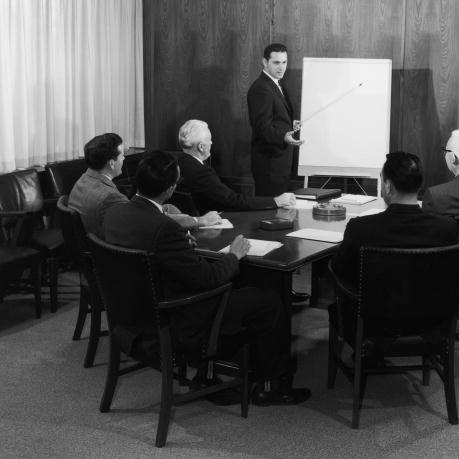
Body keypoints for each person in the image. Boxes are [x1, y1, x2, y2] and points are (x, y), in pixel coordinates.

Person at [103, 150, 311, 406]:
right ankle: (272, 386)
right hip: (176, 318)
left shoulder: (115, 214)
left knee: (242, 288)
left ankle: (211, 373)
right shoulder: (165, 228)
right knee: (268, 300)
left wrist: (182, 248)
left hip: (132, 315)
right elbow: (208, 279)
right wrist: (234, 255)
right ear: (169, 190)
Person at [332, 152, 458, 288]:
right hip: (429, 307)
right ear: (419, 183)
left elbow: (340, 269)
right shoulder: (446, 227)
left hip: (374, 307)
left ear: (388, 186)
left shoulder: (359, 228)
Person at [69, 133, 219, 238]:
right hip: (114, 255)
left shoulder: (83, 180)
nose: (124, 158)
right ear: (111, 162)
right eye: (121, 155)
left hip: (98, 244)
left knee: (169, 208)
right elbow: (142, 221)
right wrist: (200, 221)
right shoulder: (110, 197)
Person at [177, 119, 295, 214]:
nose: (212, 143)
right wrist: (275, 201)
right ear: (201, 147)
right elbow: (233, 200)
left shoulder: (178, 164)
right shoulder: (200, 172)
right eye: (210, 140)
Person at [247, 43, 303, 196]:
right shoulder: (261, 88)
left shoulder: (277, 83)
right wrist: (283, 136)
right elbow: (261, 127)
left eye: (284, 62)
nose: (281, 67)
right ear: (265, 62)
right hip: (269, 164)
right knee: (270, 215)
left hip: (279, 163)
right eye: (276, 62)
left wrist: (289, 124)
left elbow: (275, 117)